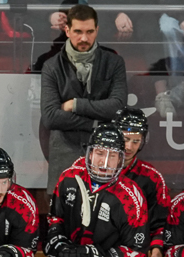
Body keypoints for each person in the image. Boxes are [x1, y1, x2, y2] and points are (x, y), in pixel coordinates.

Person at [40, 4, 127, 193]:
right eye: (78, 31)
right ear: (67, 30)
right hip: (64, 154)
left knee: (105, 217)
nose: (84, 38)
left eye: (89, 31)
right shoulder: (51, 66)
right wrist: (97, 122)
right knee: (62, 217)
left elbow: (118, 107)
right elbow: (50, 117)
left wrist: (76, 104)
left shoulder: (114, 62)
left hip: (105, 154)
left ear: (97, 30)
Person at [44, 124, 149, 257]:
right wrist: (59, 244)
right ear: (90, 153)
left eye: (112, 155)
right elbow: (55, 218)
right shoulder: (69, 178)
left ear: (120, 159)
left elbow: (137, 251)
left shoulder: (130, 197)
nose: (104, 162)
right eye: (100, 153)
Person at [113, 108, 172, 257]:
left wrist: (155, 256)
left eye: (135, 141)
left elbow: (160, 225)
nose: (129, 147)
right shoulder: (97, 172)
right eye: (125, 139)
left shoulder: (152, 178)